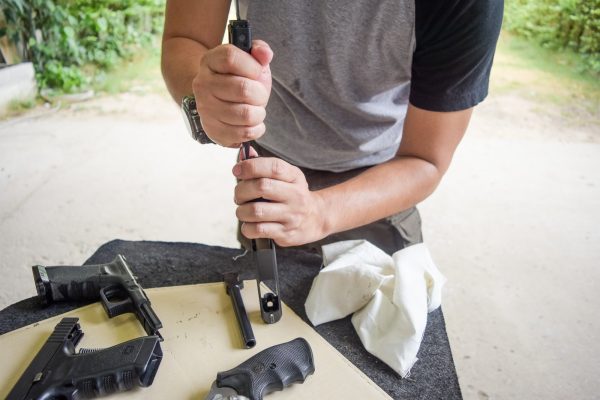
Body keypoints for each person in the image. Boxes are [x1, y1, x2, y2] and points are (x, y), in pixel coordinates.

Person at [161, 1, 503, 255]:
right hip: (269, 175)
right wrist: (205, 102)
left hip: (379, 187)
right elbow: (185, 38)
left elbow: (425, 160)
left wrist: (319, 212)